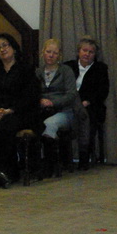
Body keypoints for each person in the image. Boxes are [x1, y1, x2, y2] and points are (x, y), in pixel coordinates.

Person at [0, 32, 39, 189]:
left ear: (14, 47)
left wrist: (10, 110)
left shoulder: (25, 69)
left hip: (18, 112)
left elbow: (30, 96)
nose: (2, 49)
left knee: (6, 128)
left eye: (5, 45)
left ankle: (8, 171)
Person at [64, 37, 109, 170]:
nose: (87, 54)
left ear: (95, 55)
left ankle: (84, 157)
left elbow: (103, 91)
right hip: (69, 104)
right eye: (84, 50)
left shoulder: (100, 68)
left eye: (91, 52)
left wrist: (87, 101)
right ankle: (65, 160)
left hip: (91, 106)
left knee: (87, 118)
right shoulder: (68, 67)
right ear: (78, 51)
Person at [36, 38, 77, 178]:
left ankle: (50, 164)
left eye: (55, 53)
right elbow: (31, 93)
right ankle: (36, 164)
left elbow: (71, 95)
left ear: (59, 55)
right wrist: (40, 100)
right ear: (43, 53)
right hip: (42, 111)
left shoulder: (66, 71)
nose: (51, 55)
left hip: (63, 111)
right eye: (48, 52)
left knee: (49, 124)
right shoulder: (37, 72)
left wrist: (53, 103)